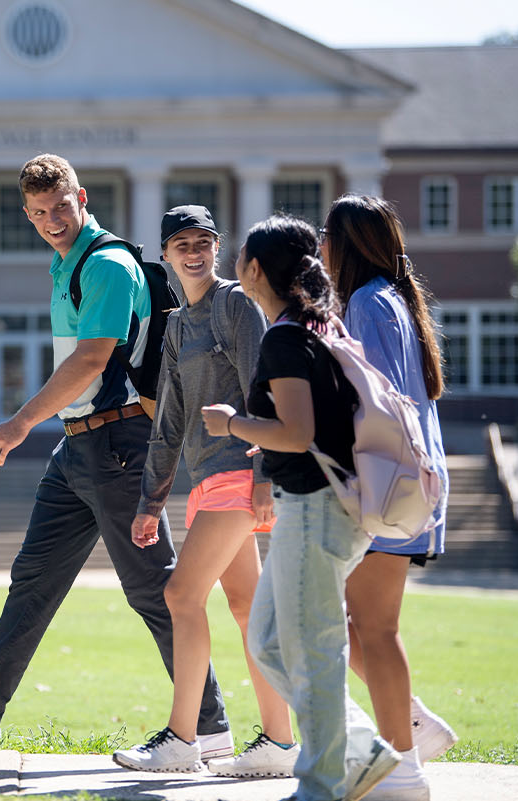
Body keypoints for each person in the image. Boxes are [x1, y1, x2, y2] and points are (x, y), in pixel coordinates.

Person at [0, 154, 232, 758]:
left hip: (120, 445)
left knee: (155, 589)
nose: (52, 219)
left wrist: (21, 420)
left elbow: (91, 359)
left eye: (60, 206)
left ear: (82, 198)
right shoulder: (66, 264)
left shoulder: (103, 264)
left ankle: (207, 725)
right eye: (38, 213)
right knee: (34, 577)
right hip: (82, 445)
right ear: (27, 216)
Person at [201, 214, 400, 801]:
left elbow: (296, 430)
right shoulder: (314, 325)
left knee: (312, 648)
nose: (235, 267)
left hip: (316, 508)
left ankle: (321, 783)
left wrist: (232, 422)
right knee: (267, 641)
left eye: (239, 258)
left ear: (254, 269)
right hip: (314, 507)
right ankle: (362, 756)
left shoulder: (289, 335)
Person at [112, 206, 296, 776]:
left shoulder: (234, 304)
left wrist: (266, 475)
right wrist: (150, 502)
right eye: (181, 244)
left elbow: (263, 388)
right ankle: (279, 745)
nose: (194, 252)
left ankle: (183, 739)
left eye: (204, 242)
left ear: (217, 249)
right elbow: (169, 422)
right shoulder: (175, 326)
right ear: (164, 255)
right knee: (247, 610)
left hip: (240, 473)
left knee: (180, 597)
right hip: (206, 480)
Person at [320, 194, 459, 801]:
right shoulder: (392, 298)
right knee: (363, 624)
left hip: (389, 483)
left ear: (345, 245)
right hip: (406, 480)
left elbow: (374, 402)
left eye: (326, 236)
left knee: (369, 627)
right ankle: (412, 736)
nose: (319, 248)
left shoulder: (367, 303)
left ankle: (403, 763)